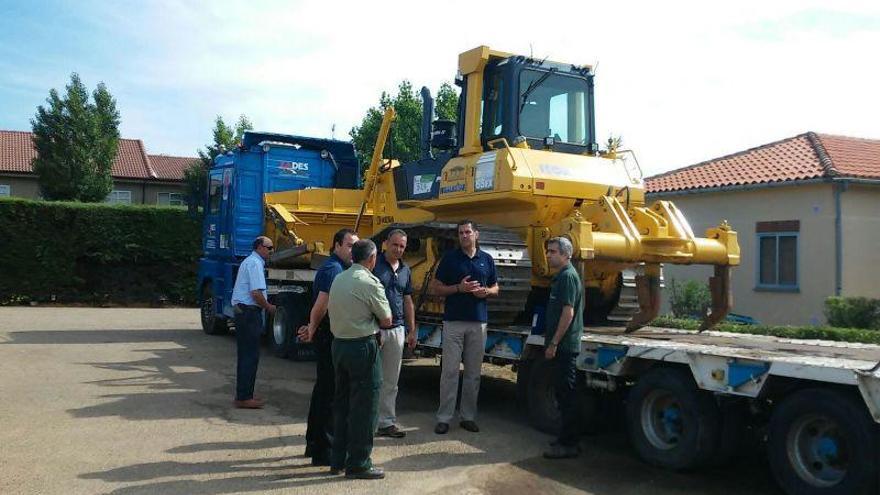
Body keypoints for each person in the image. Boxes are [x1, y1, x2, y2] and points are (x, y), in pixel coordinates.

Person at [327, 239, 392, 479]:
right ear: (372, 258)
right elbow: (386, 320)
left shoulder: (339, 278)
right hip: (362, 347)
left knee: (342, 404)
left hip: (340, 345)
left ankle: (338, 459)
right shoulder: (370, 282)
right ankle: (359, 463)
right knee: (365, 407)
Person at [428, 220, 499, 434]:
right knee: (449, 371)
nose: (464, 236)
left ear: (476, 234)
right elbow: (435, 287)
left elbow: (496, 287)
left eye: (468, 232)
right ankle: (444, 417)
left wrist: (486, 292)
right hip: (454, 321)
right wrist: (459, 288)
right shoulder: (450, 259)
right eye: (460, 233)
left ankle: (468, 416)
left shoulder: (486, 259)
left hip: (478, 322)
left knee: (473, 373)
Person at [297, 228, 358, 466]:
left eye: (356, 245)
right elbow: (322, 304)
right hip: (330, 337)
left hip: (327, 335)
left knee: (323, 392)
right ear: (336, 245)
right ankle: (324, 451)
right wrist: (312, 327)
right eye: (350, 245)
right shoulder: (333, 269)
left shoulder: (338, 268)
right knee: (331, 395)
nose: (353, 250)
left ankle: (313, 444)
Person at [542, 236, 585, 459]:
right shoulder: (562, 277)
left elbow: (568, 312)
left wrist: (554, 343)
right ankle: (565, 439)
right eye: (548, 251)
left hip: (565, 346)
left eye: (553, 252)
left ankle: (569, 443)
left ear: (566, 255)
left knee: (567, 395)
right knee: (562, 392)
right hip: (562, 345)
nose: (549, 255)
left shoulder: (568, 277)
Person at [371, 229, 417, 439]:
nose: (398, 249)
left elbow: (408, 301)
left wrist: (411, 330)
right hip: (374, 330)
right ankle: (367, 423)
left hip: (397, 330)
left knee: (391, 381)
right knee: (370, 379)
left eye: (402, 246)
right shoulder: (373, 265)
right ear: (385, 244)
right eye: (395, 245)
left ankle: (386, 423)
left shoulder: (406, 270)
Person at [230, 236, 277, 409]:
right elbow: (256, 293)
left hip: (244, 313)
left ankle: (244, 394)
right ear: (259, 247)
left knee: (246, 355)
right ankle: (244, 398)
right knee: (250, 356)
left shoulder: (251, 262)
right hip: (249, 314)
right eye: (269, 247)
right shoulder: (255, 263)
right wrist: (269, 307)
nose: (271, 251)